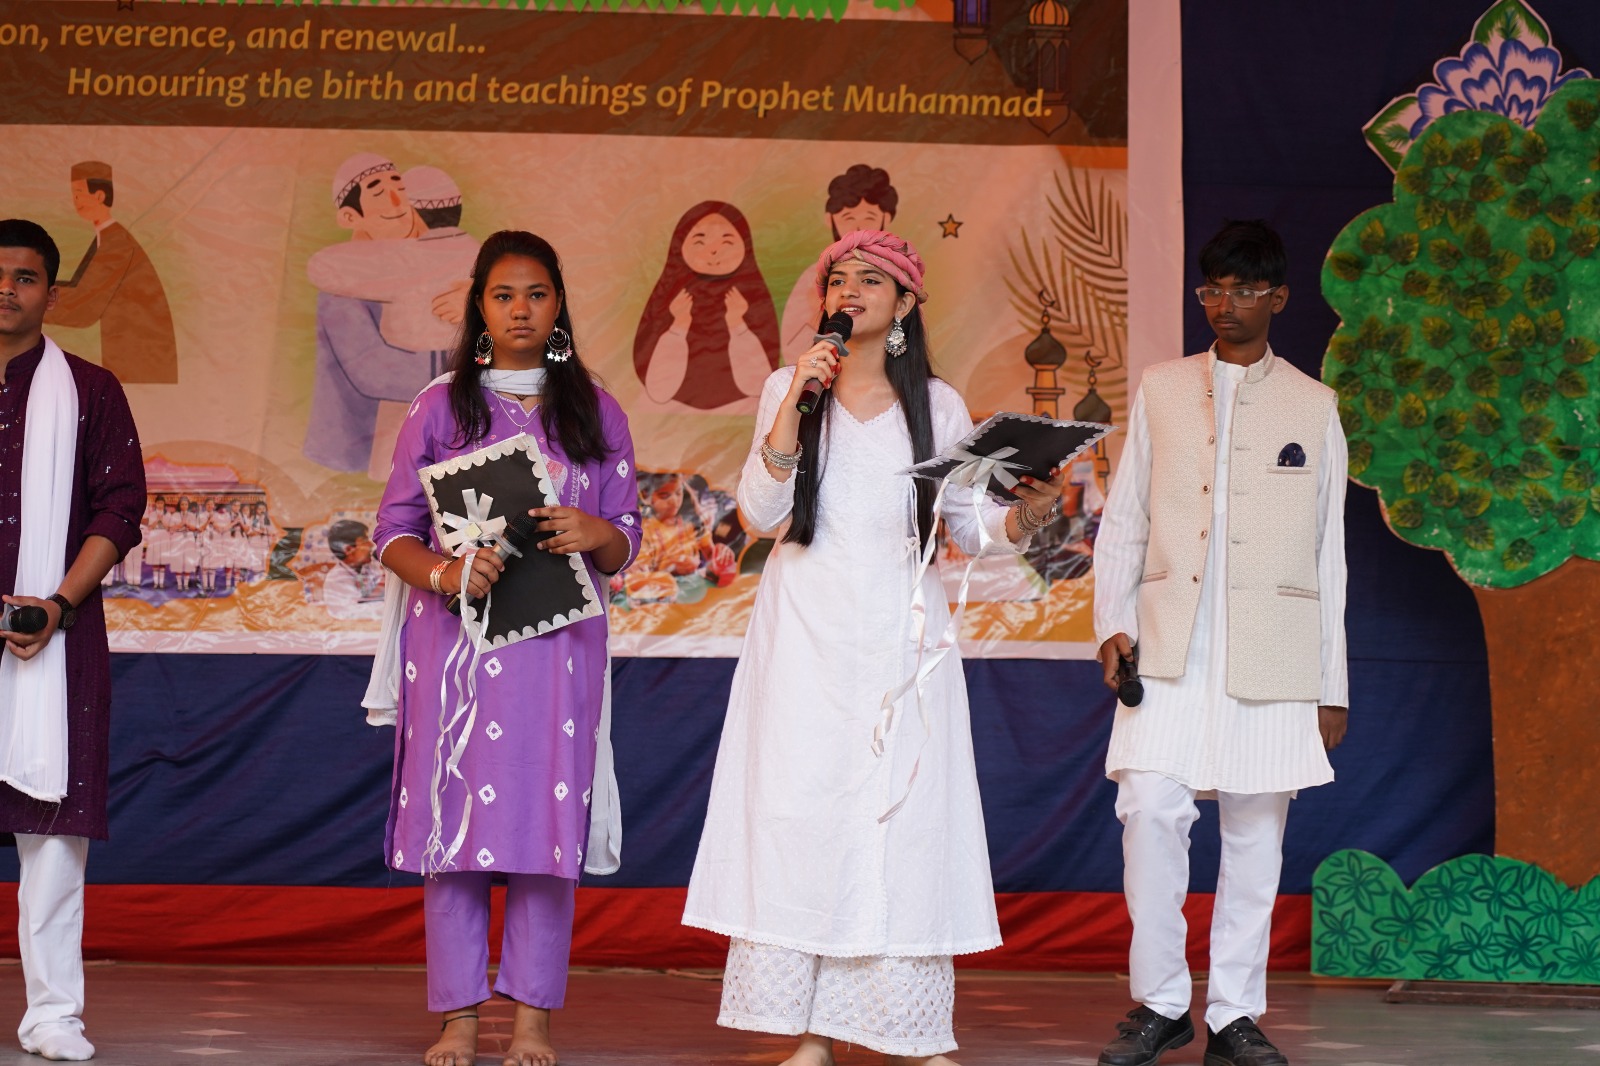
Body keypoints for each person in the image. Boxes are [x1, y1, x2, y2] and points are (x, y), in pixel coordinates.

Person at [683, 230, 1067, 1066]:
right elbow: (759, 514)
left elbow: (969, 528)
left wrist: (1032, 509)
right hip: (803, 636)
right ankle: (811, 1035)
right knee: (804, 813)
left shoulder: (939, 405)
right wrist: (796, 402)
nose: (849, 290)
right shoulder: (790, 385)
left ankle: (906, 1030)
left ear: (904, 304)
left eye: (870, 279)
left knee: (901, 816)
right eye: (837, 279)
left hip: (902, 635)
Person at [371, 230, 641, 1066]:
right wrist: (446, 573)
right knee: (452, 834)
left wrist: (596, 530)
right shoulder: (438, 409)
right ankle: (458, 1019)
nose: (521, 309)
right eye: (502, 295)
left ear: (558, 305)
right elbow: (391, 532)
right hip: (454, 652)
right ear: (479, 309)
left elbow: (626, 537)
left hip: (559, 655)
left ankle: (532, 1022)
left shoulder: (595, 410)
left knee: (544, 836)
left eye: (537, 294)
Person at [1090, 220, 1348, 1066]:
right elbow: (1125, 521)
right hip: (1168, 643)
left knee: (1255, 836)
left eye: (1243, 290)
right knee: (1149, 810)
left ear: (1279, 298)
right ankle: (1163, 1003)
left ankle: (1235, 1014)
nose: (1225, 304)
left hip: (1273, 650)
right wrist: (1112, 625)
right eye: (1213, 289)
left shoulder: (1314, 406)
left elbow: (1329, 555)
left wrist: (1332, 685)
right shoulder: (1163, 388)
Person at [0, 219, 146, 1061]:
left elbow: (119, 508)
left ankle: (53, 1015)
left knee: (53, 831)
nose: (7, 289)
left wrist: (56, 604)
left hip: (54, 634)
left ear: (52, 294)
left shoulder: (90, 390)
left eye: (25, 277)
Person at [632, 201, 780, 412]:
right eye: (699, 242)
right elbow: (658, 389)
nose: (713, 251)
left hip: (740, 407)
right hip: (675, 410)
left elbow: (759, 383)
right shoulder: (673, 297)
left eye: (726, 242)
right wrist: (678, 326)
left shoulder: (750, 297)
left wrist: (737, 324)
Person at [44, 161, 178, 384]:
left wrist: (30, 303)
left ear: (99, 196)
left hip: (141, 360)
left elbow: (84, 305)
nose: (75, 201)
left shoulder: (116, 242)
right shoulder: (106, 237)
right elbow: (80, 291)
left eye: (79, 194)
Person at [778, 164, 899, 362]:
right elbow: (790, 347)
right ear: (830, 219)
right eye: (837, 282)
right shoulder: (813, 277)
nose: (858, 228)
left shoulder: (897, 275)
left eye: (870, 280)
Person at [322, 519, 385, 620]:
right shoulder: (336, 579)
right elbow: (359, 614)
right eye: (364, 541)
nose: (371, 545)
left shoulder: (372, 566)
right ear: (348, 549)